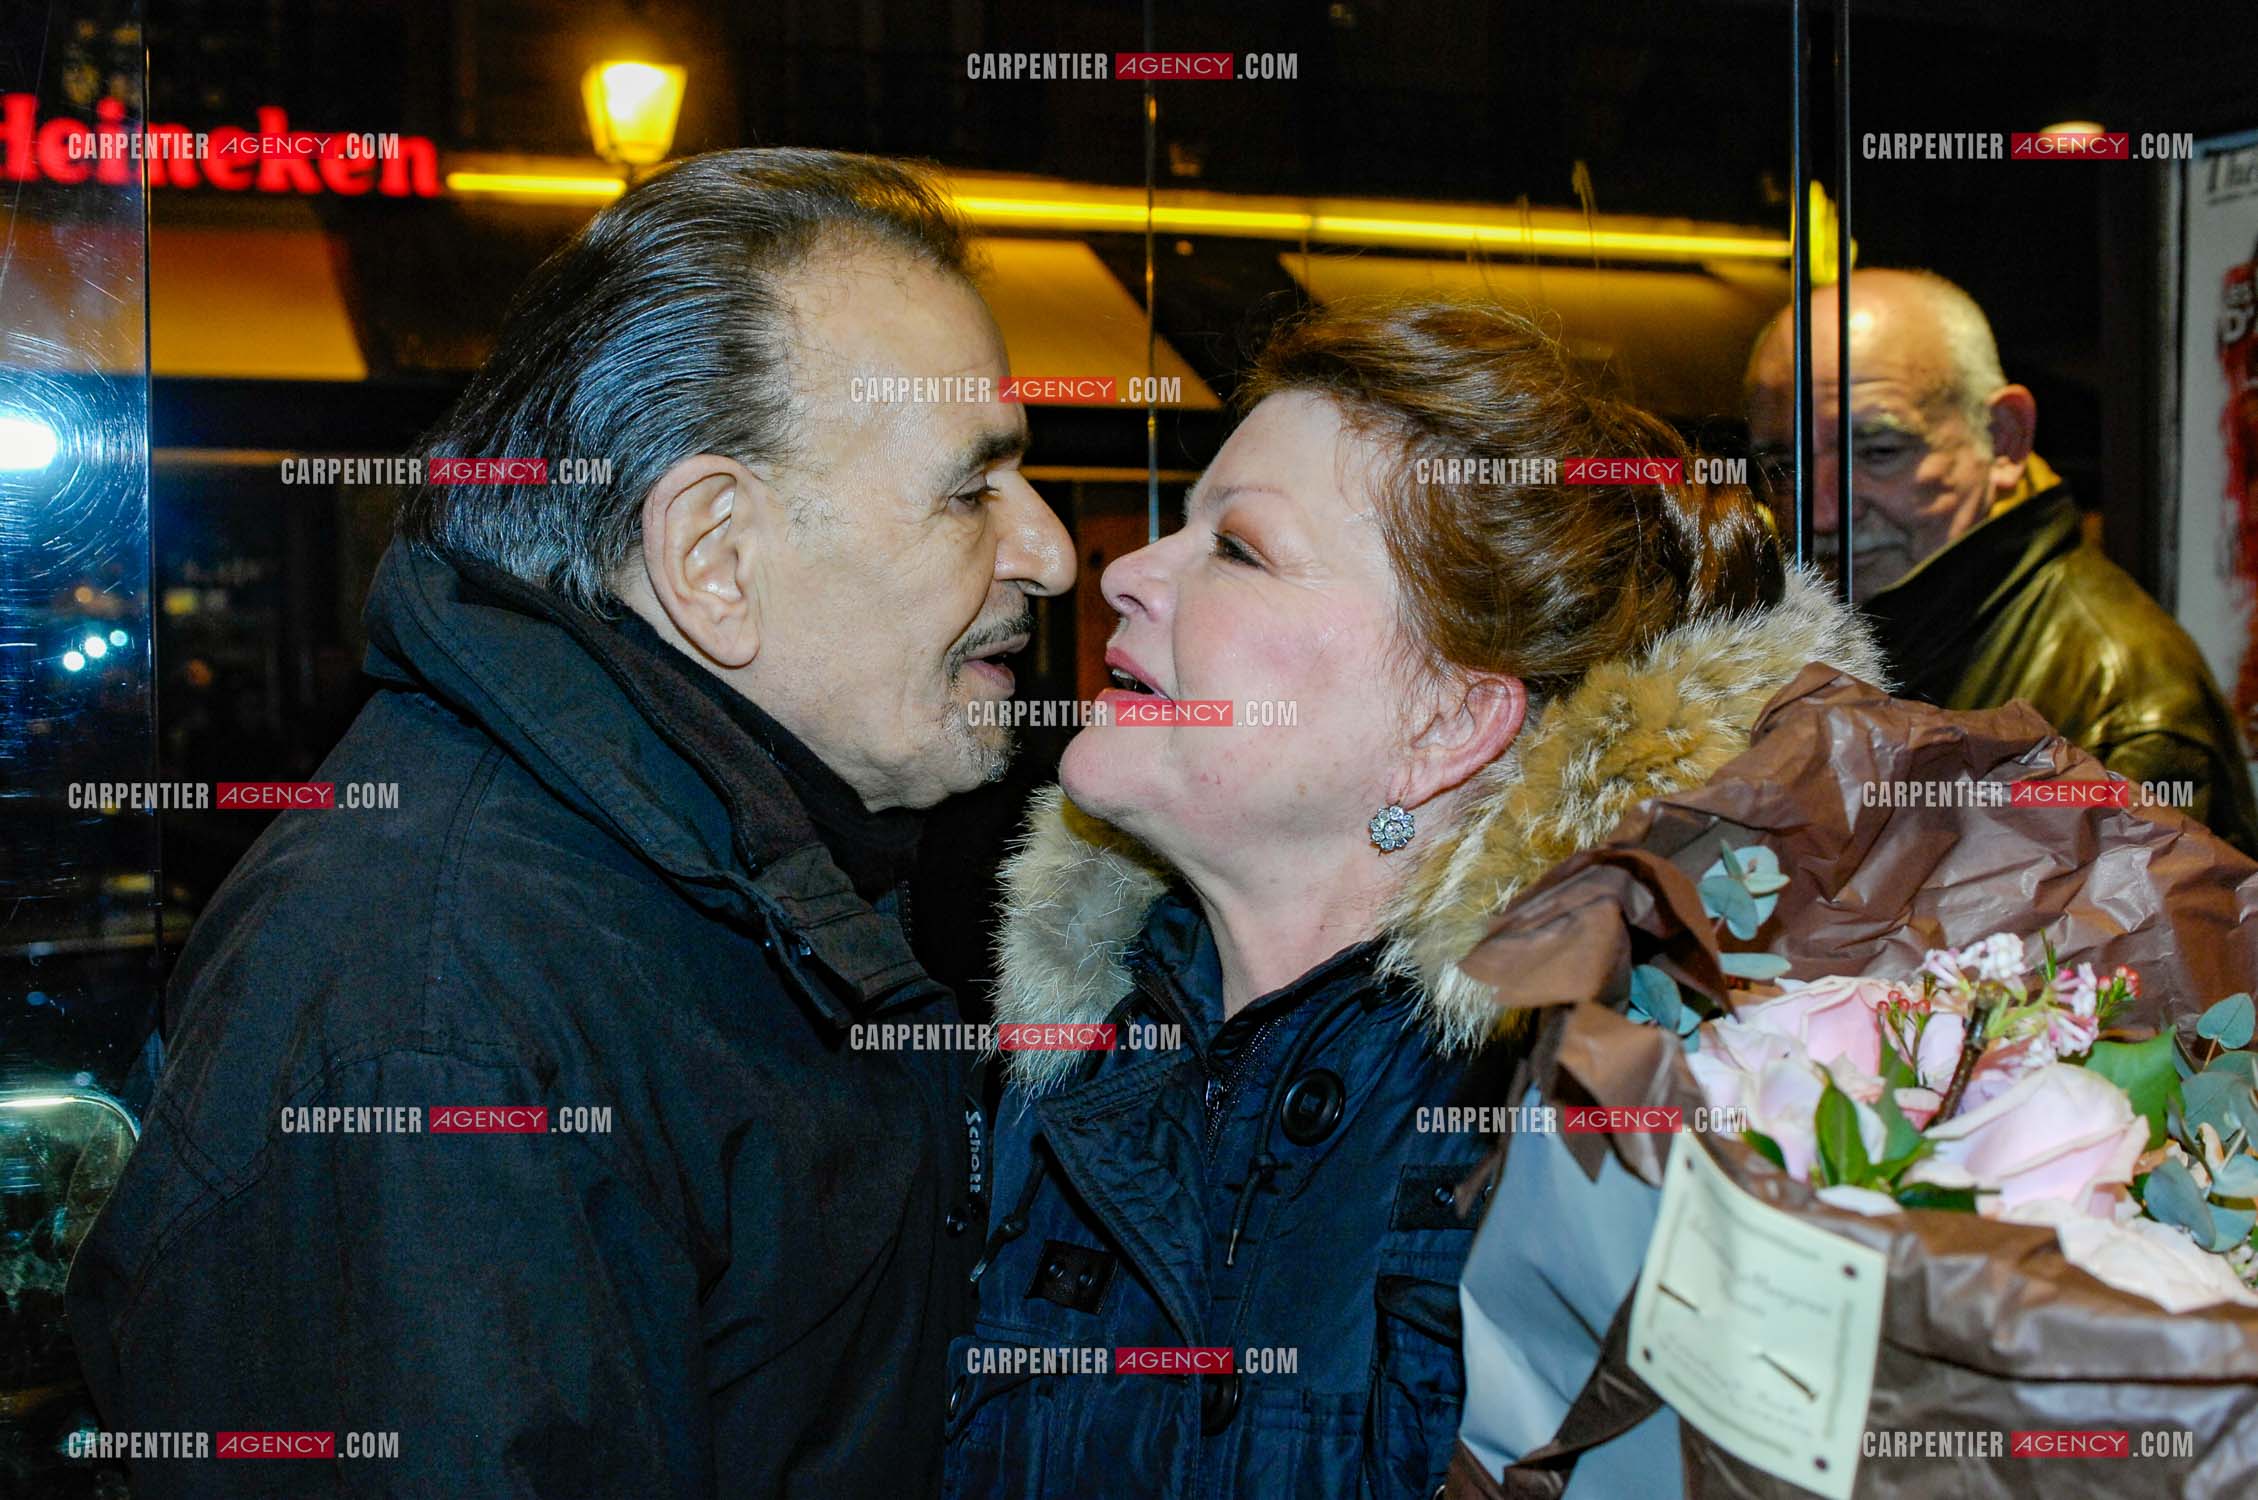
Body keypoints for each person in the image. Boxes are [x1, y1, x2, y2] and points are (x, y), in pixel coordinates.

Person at [67, 148, 1074, 1498]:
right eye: (971, 488)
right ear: (713, 557)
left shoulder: (718, 869)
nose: (1051, 551)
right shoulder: (435, 1016)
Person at [943, 299, 1884, 1499]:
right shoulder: (1069, 1067)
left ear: (1444, 723)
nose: (1123, 573)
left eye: (1237, 549)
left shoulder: (1593, 1132)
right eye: (1180, 531)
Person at [1746, 267, 2258, 856]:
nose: (1824, 512)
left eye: (1881, 452)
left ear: (2004, 438)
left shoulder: (2123, 705)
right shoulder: (1818, 634)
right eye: (1782, 468)